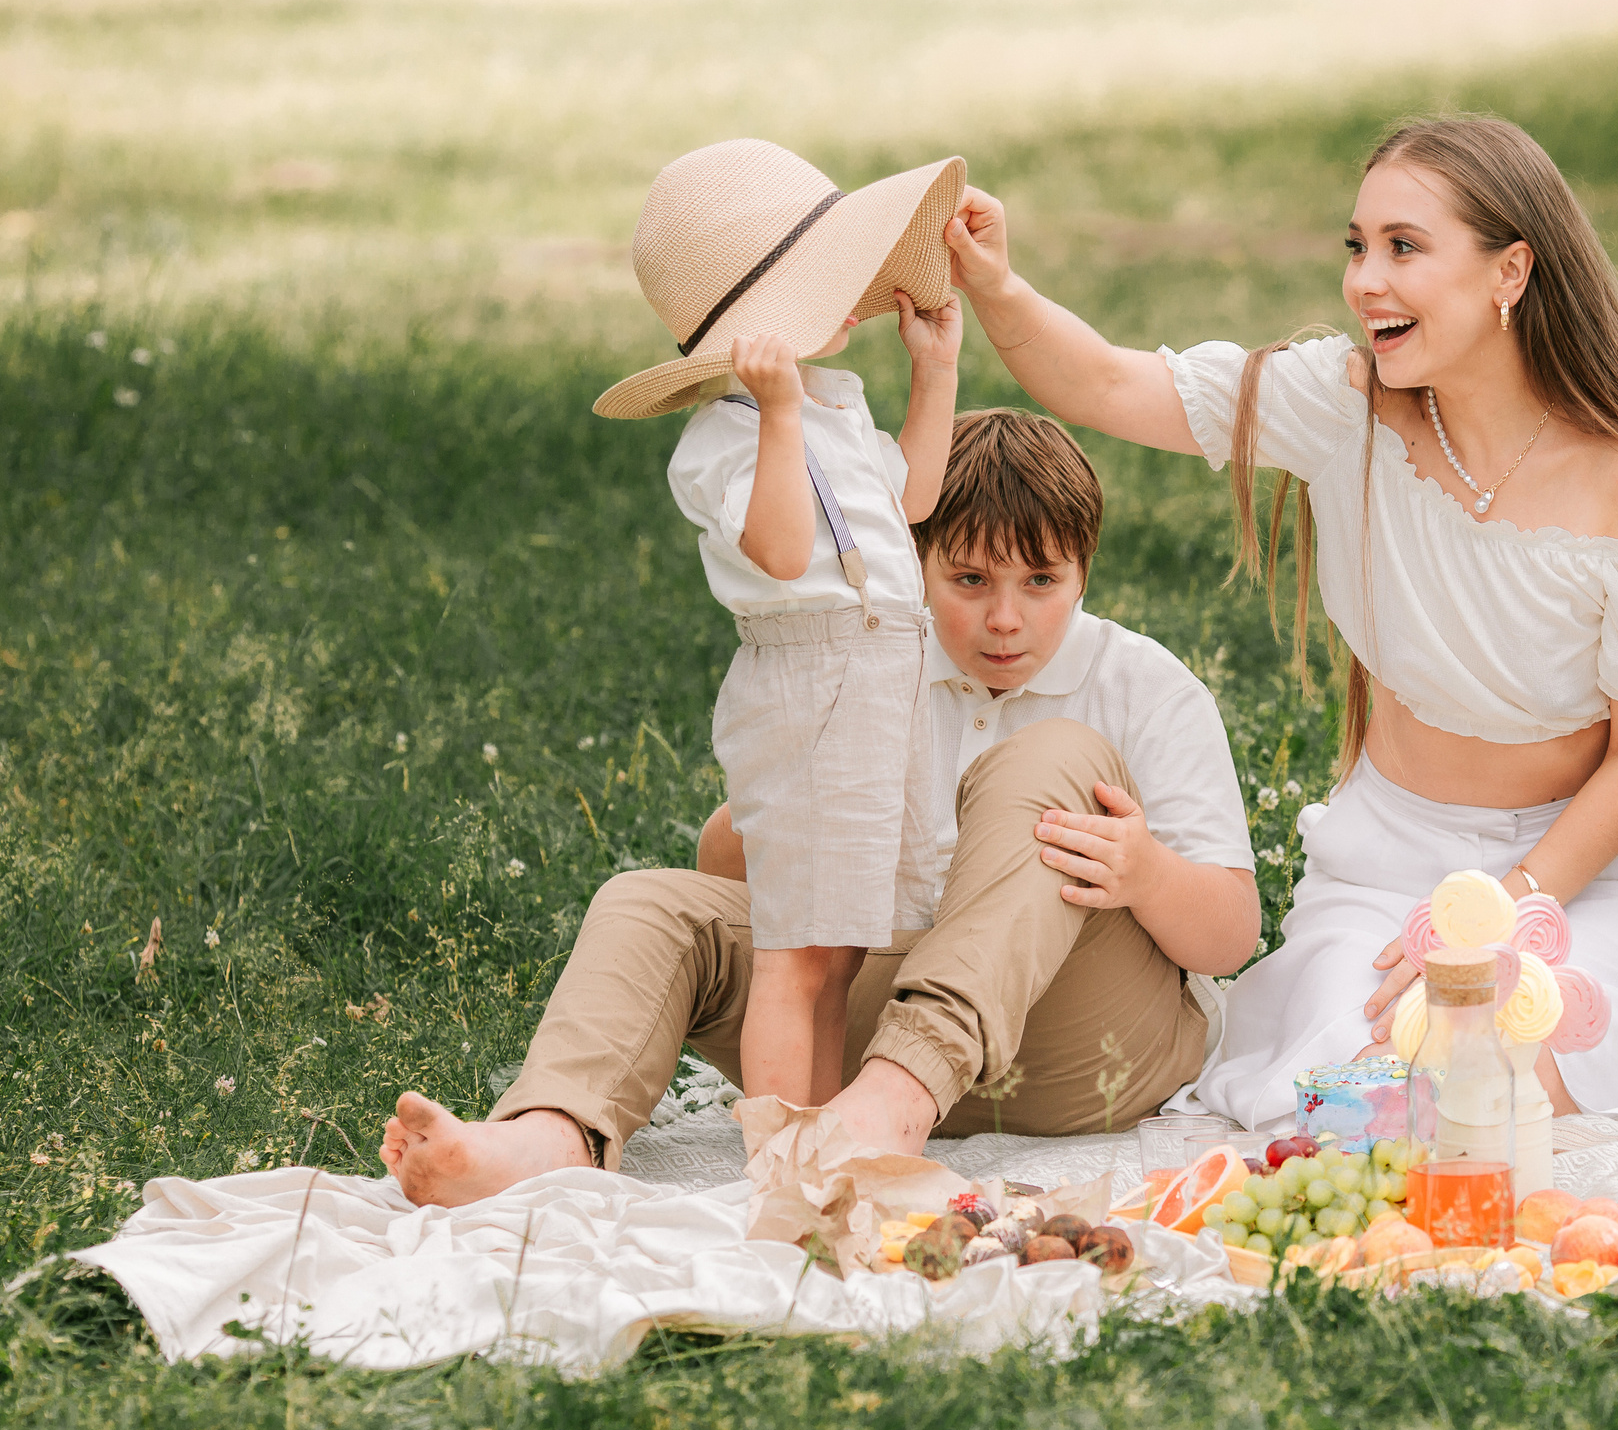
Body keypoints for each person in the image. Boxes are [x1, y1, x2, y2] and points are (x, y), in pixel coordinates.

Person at [942, 114, 1618, 1132]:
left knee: (1484, 1088)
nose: (1365, 279)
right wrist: (996, 288)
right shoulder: (1342, 408)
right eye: (1358, 245)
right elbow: (1106, 383)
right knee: (1348, 1087)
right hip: (1391, 854)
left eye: (1404, 248)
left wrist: (1492, 922)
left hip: (1579, 869)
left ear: (1511, 272)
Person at [381, 409, 1263, 1203]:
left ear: (1084, 572)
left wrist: (1142, 869)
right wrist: (791, 806)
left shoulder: (1144, 685)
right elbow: (735, 876)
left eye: (1041, 581)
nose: (1006, 618)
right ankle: (549, 1138)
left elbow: (1229, 939)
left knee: (1051, 759)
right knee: (649, 902)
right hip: (874, 1015)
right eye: (969, 580)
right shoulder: (872, 662)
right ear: (915, 562)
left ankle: (893, 1104)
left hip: (1088, 1037)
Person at [592, 139, 968, 1109]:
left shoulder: (834, 404)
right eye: (822, 277)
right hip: (812, 688)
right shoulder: (724, 437)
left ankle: (821, 1135)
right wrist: (775, 417)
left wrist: (935, 375)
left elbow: (911, 501)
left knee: (843, 948)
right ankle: (778, 1149)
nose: (853, 291)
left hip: (885, 675)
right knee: (794, 948)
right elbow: (778, 547)